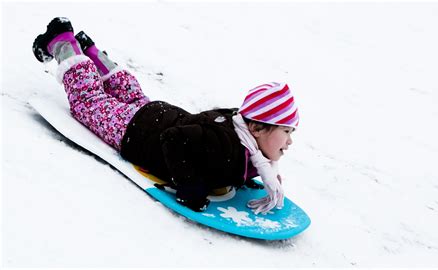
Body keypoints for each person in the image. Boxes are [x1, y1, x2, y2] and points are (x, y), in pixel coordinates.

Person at [32, 17, 299, 214]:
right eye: (285, 131)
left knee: (130, 96)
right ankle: (63, 42)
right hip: (134, 131)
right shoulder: (223, 145)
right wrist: (190, 187)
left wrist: (247, 174)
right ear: (257, 128)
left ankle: (91, 54)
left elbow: (227, 155)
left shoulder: (241, 132)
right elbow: (174, 140)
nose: (289, 141)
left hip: (155, 115)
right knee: (89, 101)